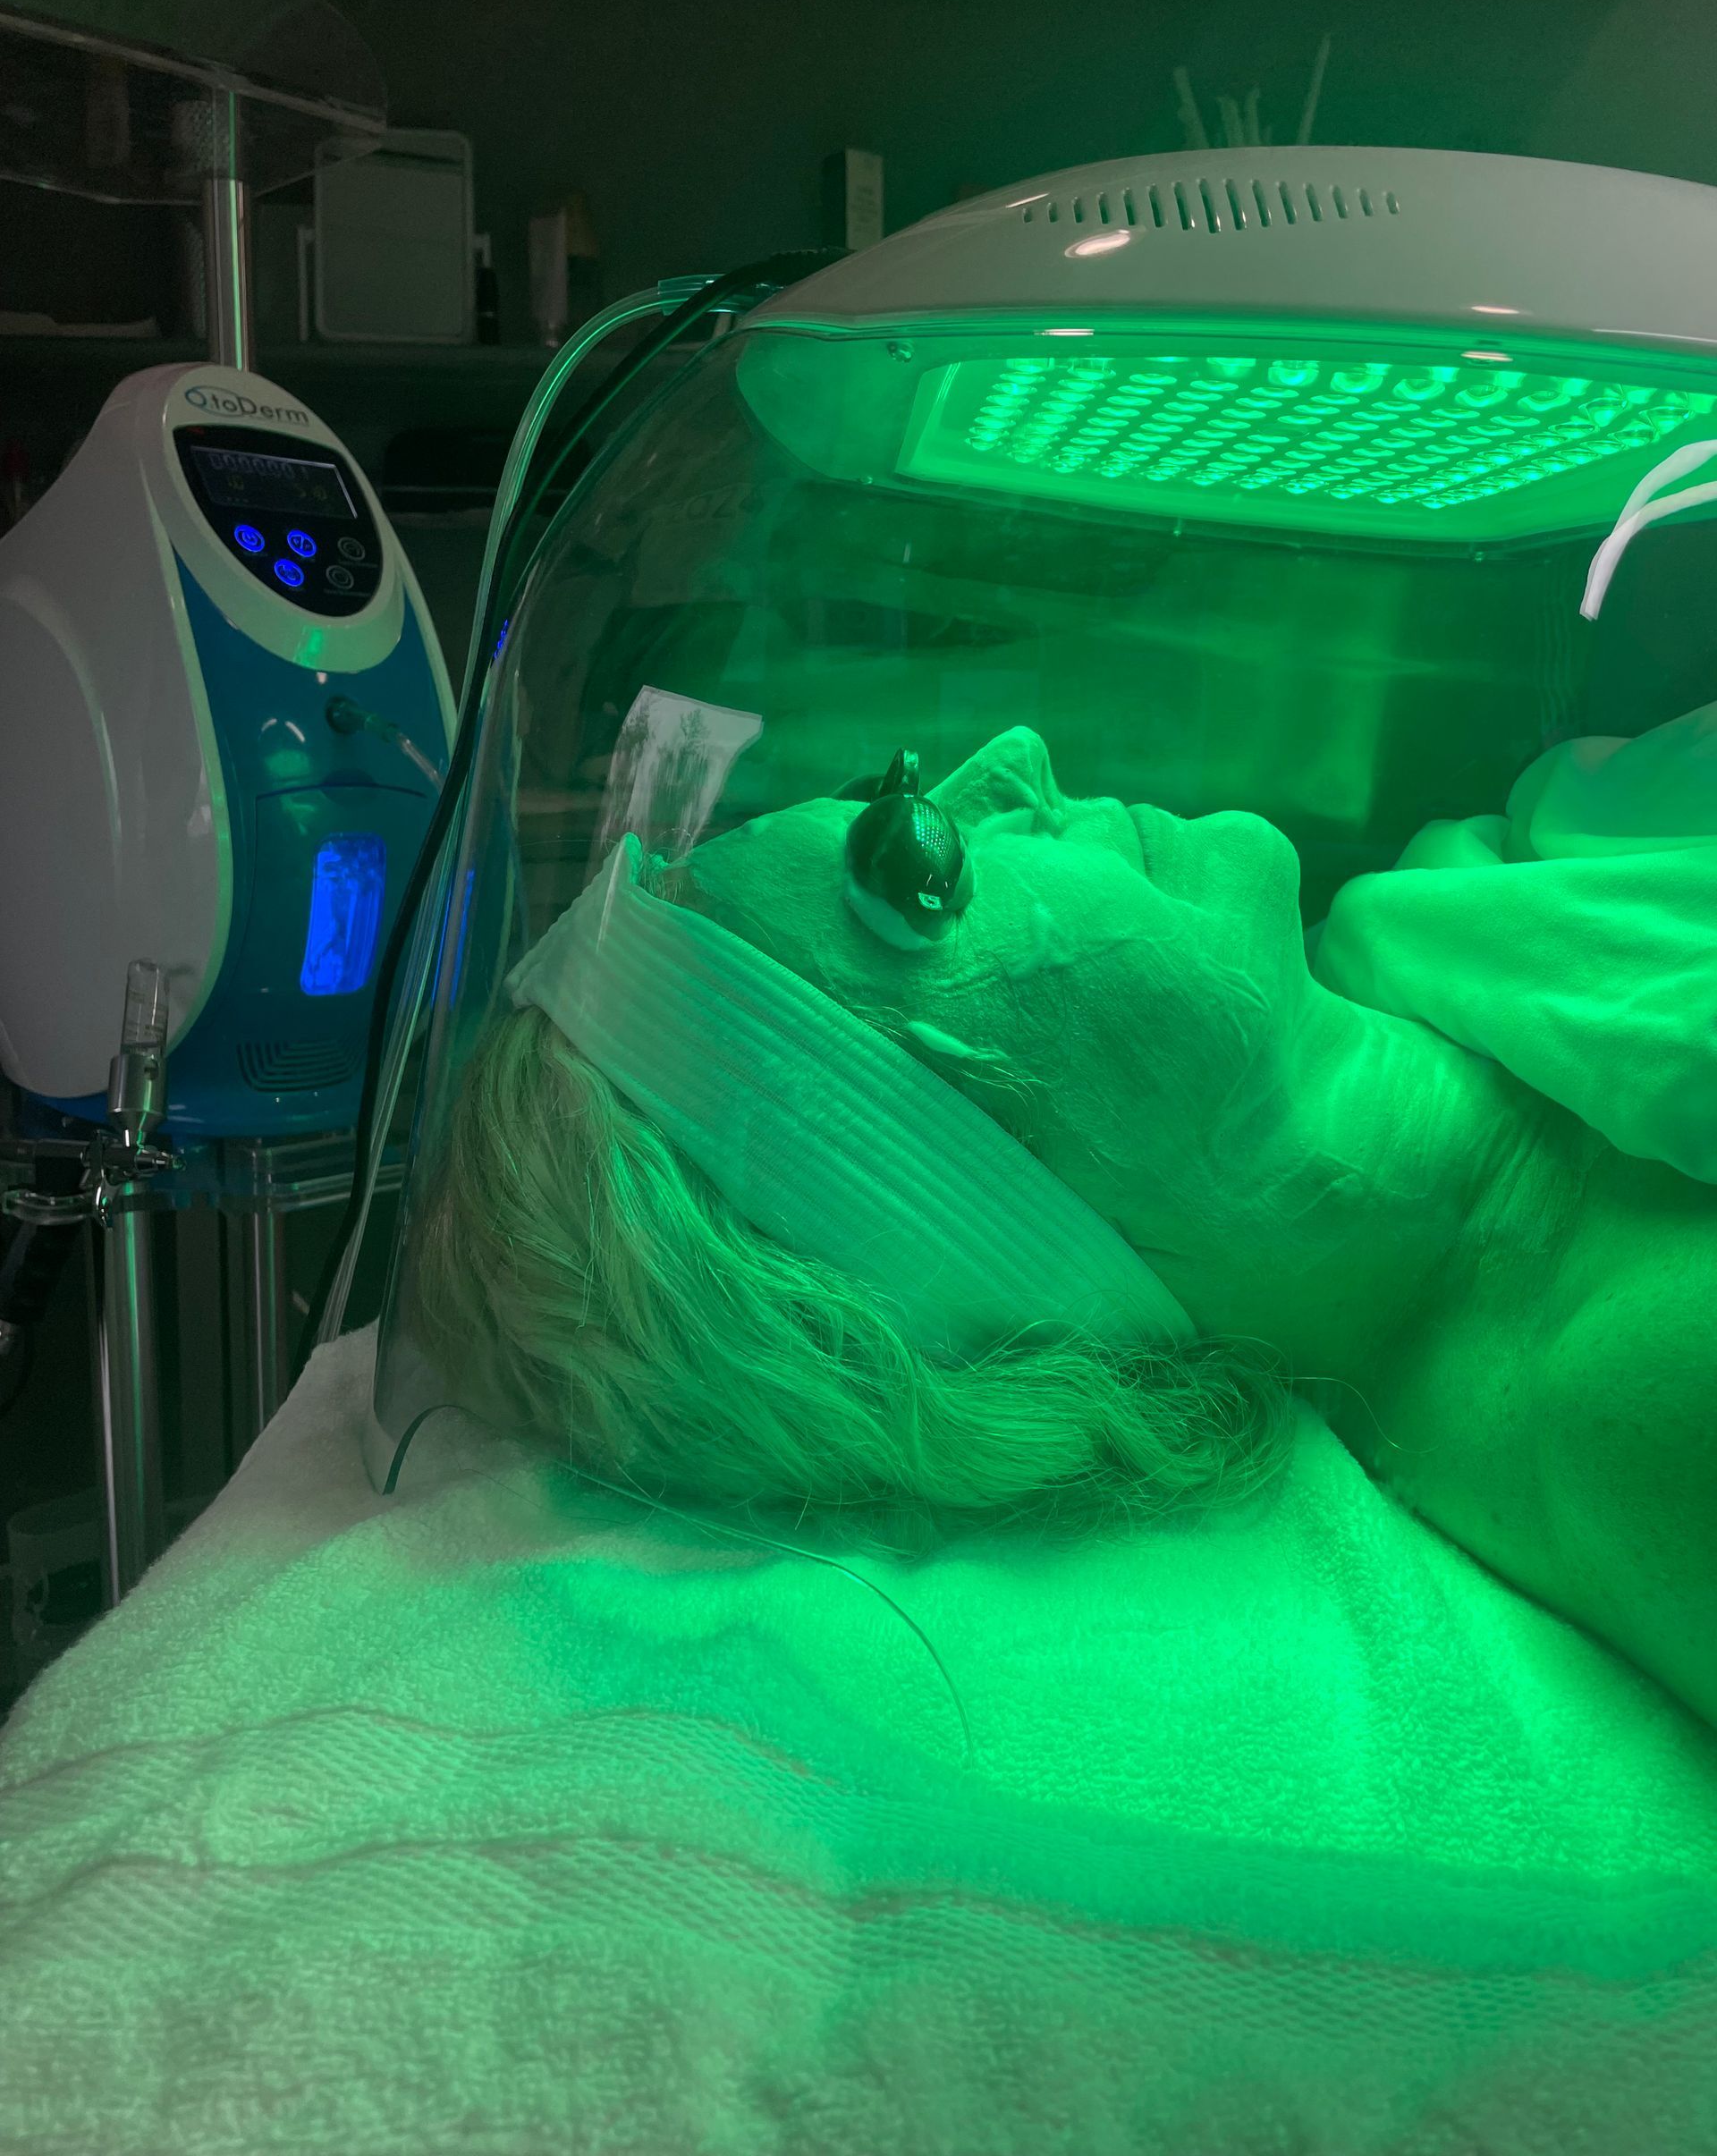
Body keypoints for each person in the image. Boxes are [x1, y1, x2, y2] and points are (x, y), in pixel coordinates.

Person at [417, 725, 1717, 1730]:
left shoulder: (1473, 893)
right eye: (917, 859)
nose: (1023, 762)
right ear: (998, 1175)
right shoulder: (1637, 1392)